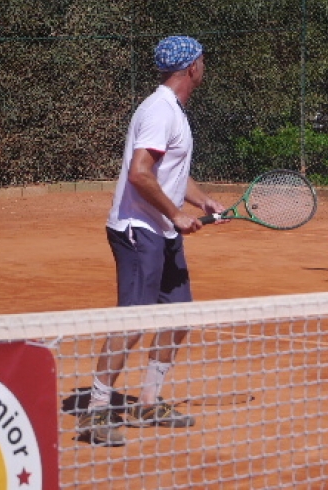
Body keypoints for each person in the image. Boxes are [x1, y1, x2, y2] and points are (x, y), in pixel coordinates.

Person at [77, 35, 226, 447]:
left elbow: (169, 171)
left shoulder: (173, 111)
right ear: (191, 68)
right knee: (133, 320)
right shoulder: (160, 111)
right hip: (137, 230)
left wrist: (200, 200)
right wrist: (176, 215)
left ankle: (147, 401)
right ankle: (95, 412)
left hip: (160, 229)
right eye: (203, 60)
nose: (204, 66)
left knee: (177, 316)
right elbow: (140, 173)